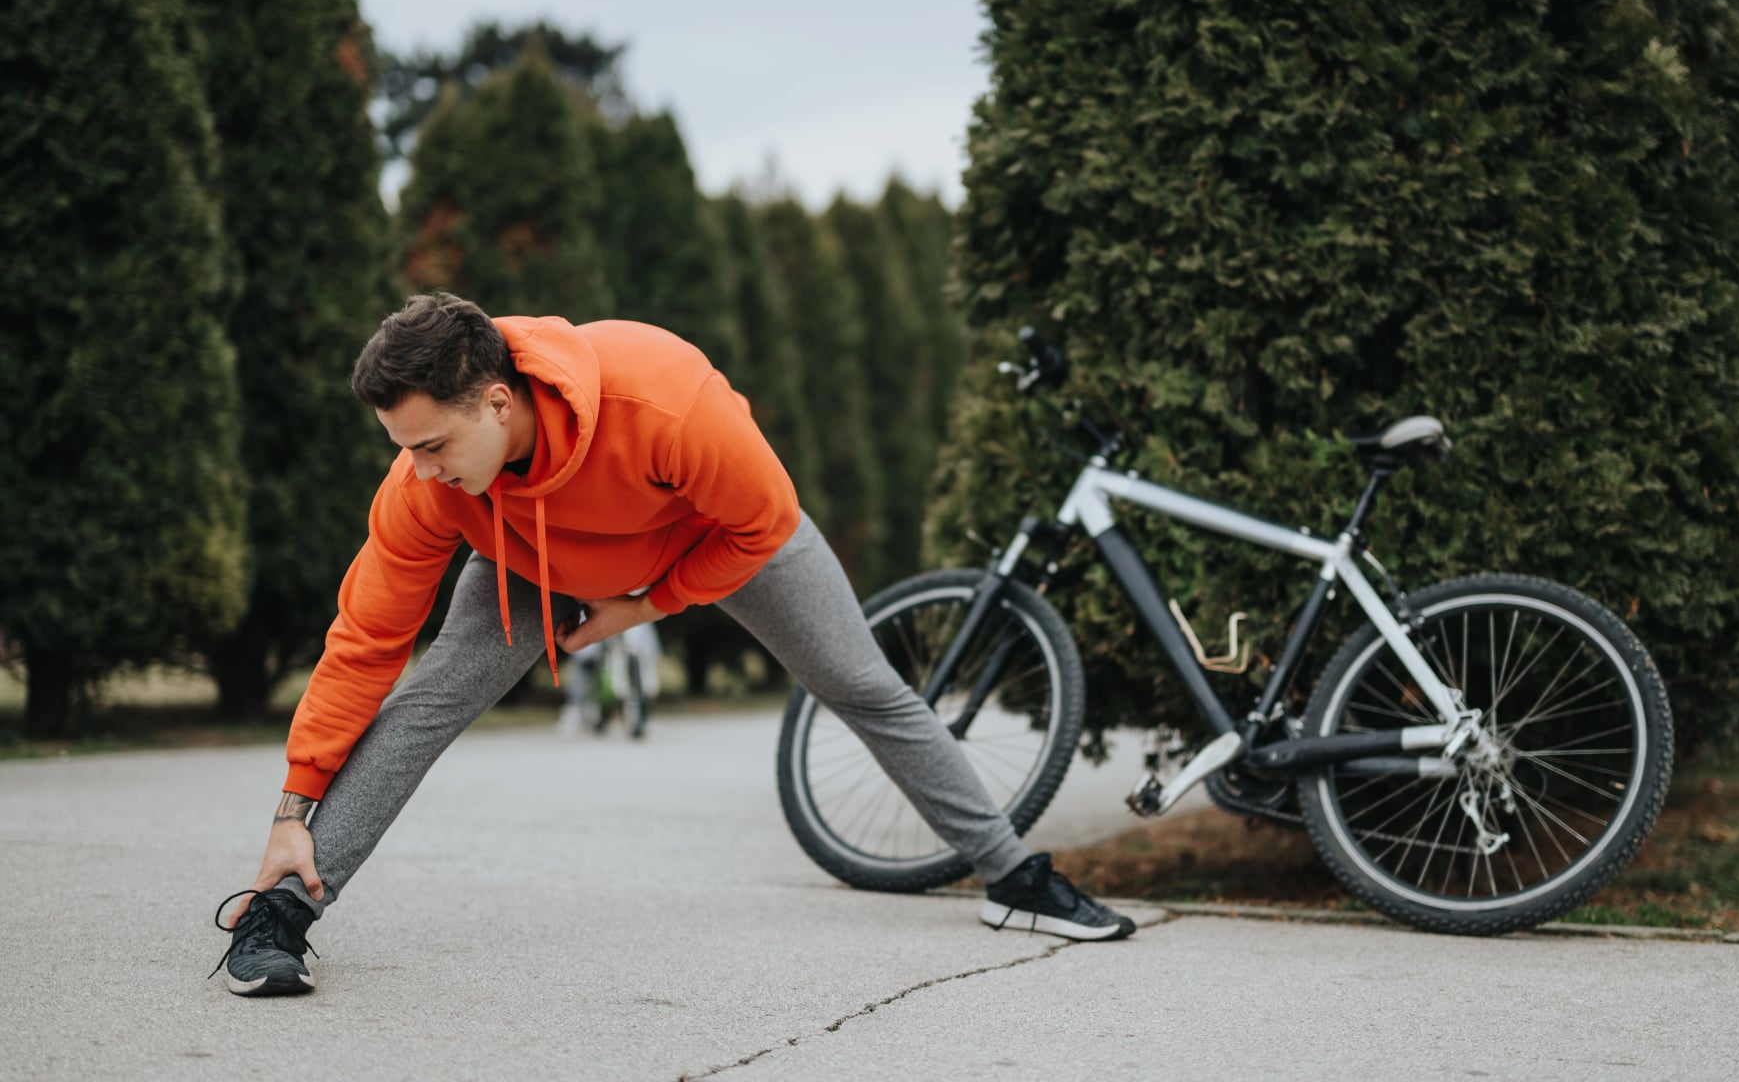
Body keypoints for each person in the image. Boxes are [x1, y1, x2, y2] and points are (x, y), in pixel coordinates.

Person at [211, 293, 1132, 996]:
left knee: (864, 686)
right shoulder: (429, 487)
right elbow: (366, 638)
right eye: (403, 447)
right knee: (425, 702)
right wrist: (293, 809)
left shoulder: (664, 398)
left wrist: (646, 605)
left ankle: (1014, 877)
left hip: (720, 542)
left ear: (499, 400)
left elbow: (761, 522)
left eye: (433, 444)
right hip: (530, 557)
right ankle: (283, 907)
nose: (419, 468)